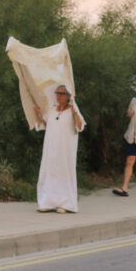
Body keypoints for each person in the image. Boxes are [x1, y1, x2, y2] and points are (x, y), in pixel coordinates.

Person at [33, 84, 85, 213]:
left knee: (64, 173)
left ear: (68, 96)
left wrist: (75, 113)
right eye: (57, 93)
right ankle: (47, 202)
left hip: (65, 150)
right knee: (50, 172)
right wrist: (36, 114)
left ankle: (66, 204)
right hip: (51, 149)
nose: (58, 96)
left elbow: (80, 127)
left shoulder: (73, 111)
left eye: (62, 93)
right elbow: (42, 124)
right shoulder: (51, 110)